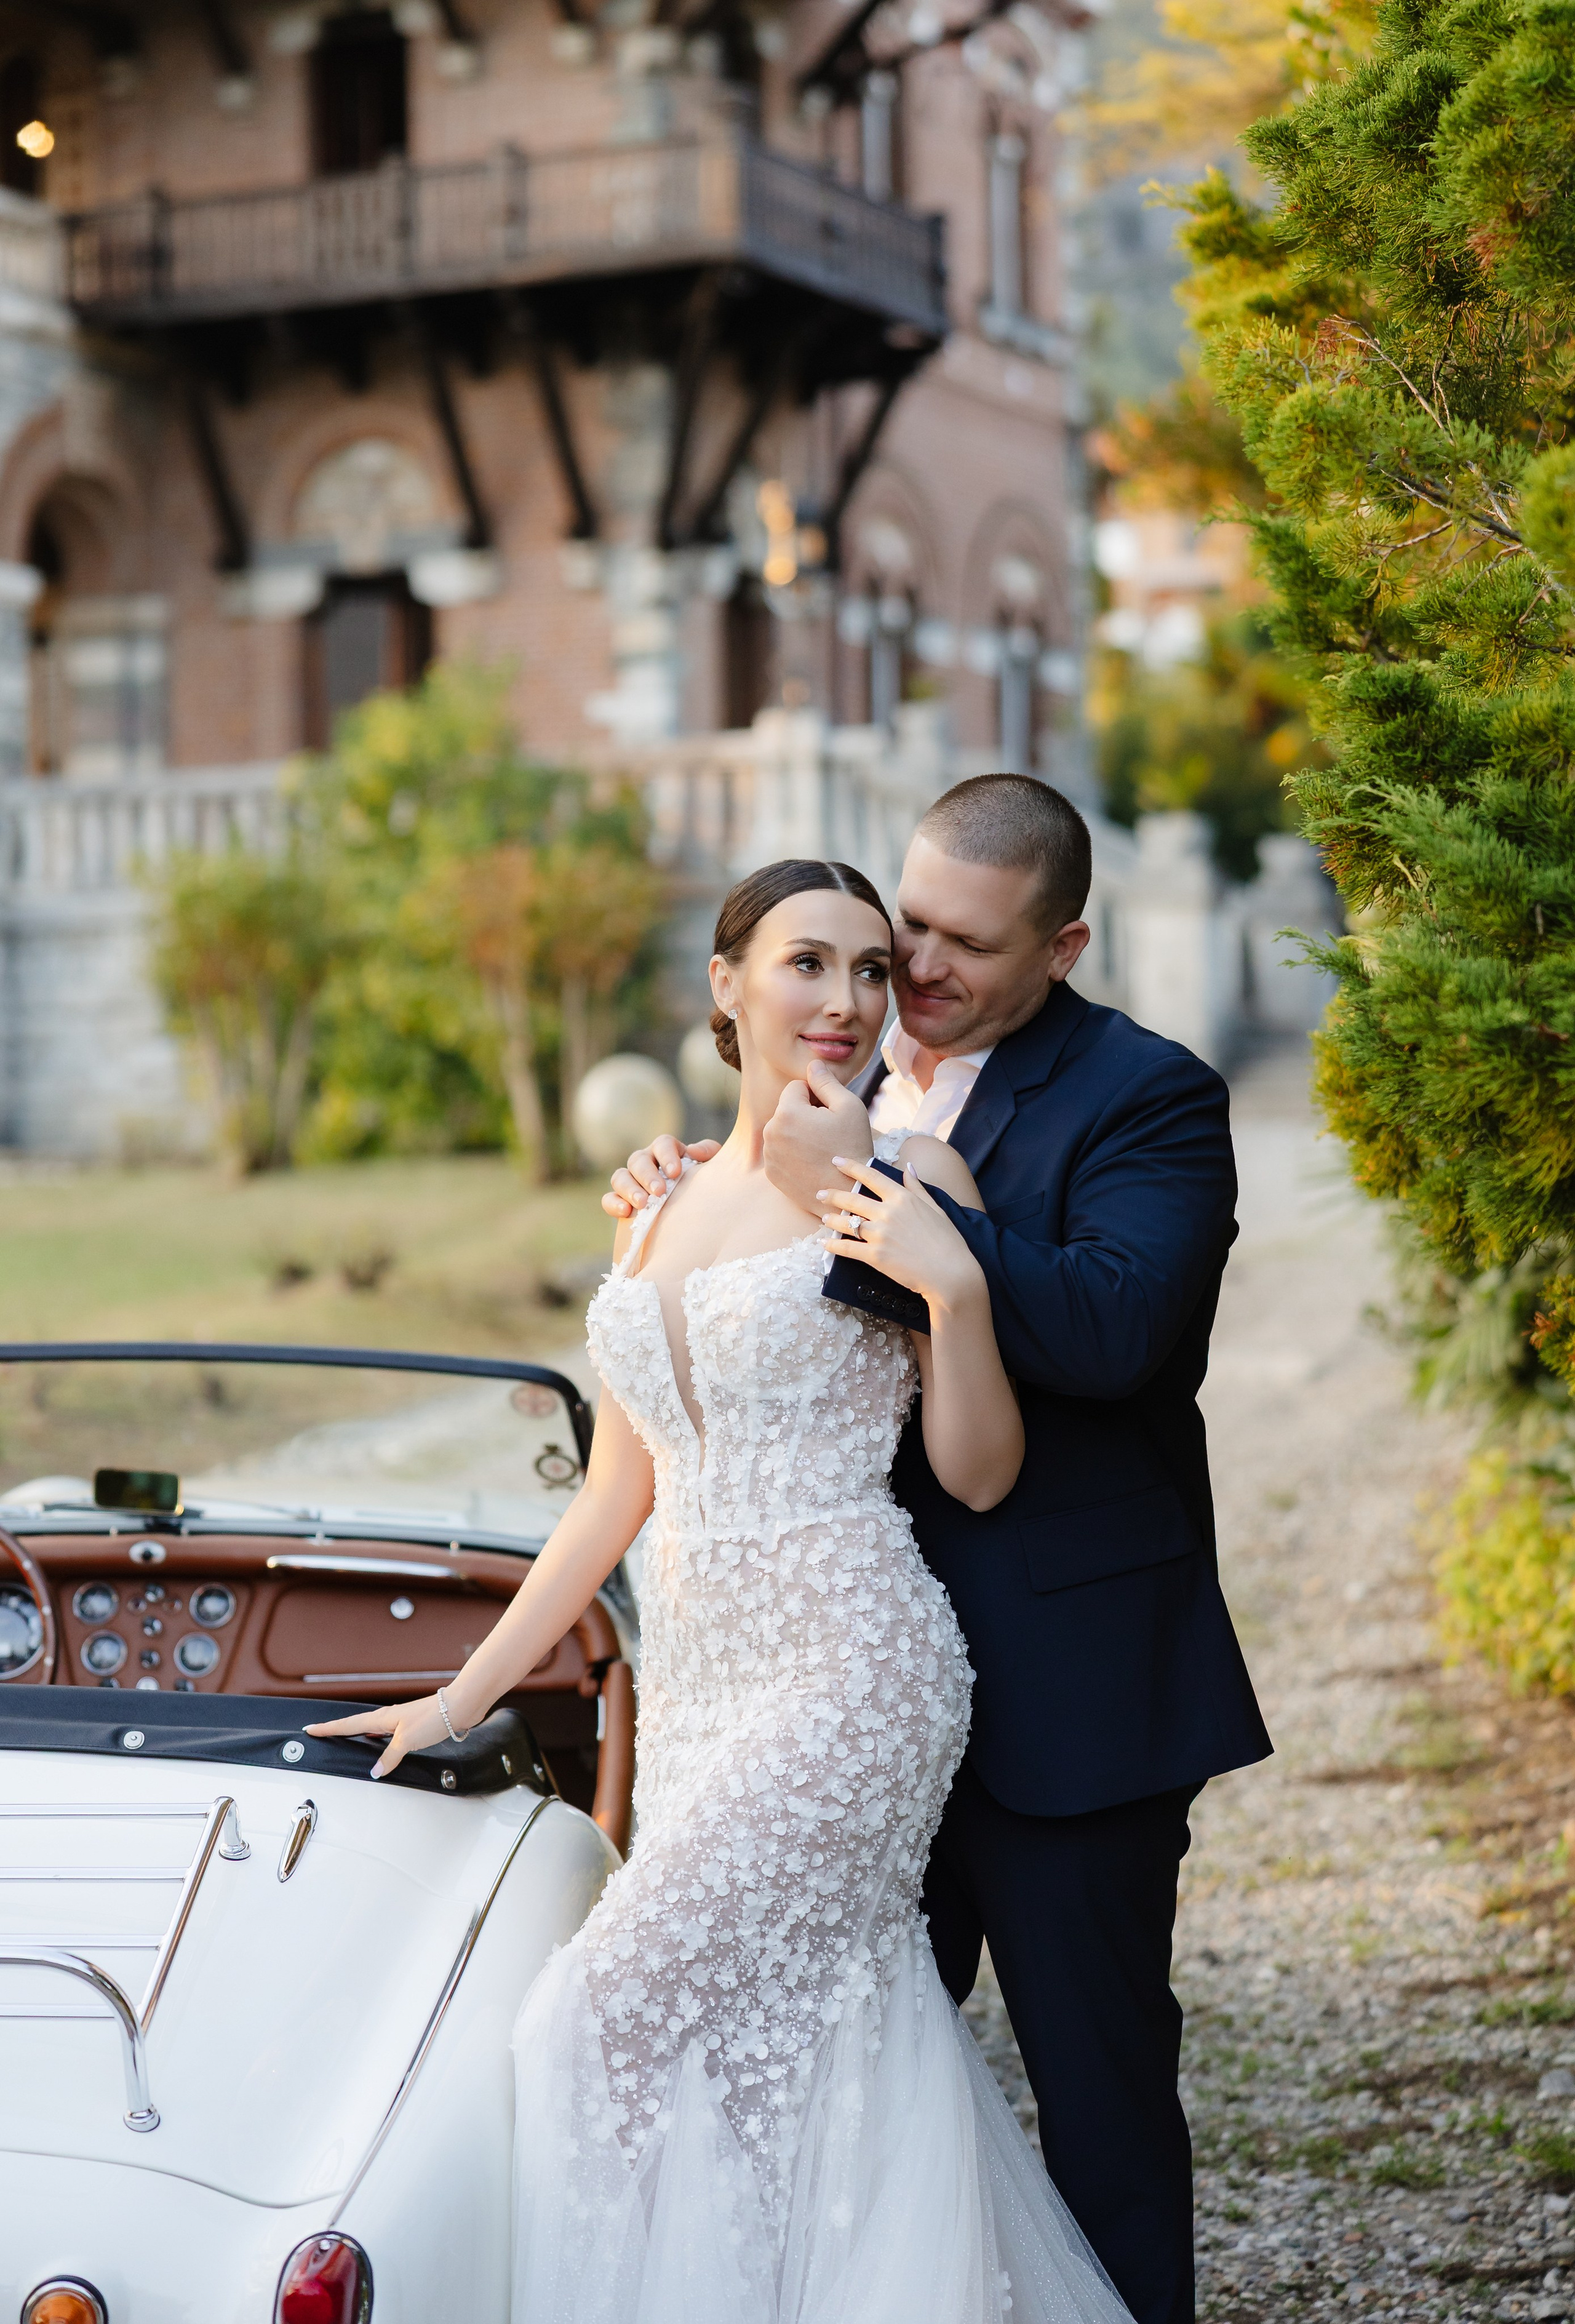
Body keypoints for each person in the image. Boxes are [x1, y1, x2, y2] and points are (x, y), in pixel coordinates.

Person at [309, 855, 1133, 2324]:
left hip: (847, 1667)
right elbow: (616, 1494)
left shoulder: (906, 1175)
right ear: (726, 984)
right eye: (808, 962)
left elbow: (981, 1469)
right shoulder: (660, 1199)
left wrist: (948, 1284)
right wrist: (464, 1684)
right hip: (696, 1691)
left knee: (592, 2012)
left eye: (871, 971)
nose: (844, 998)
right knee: (783, 2046)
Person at [605, 776, 1274, 2324]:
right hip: (832, 1704)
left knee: (1094, 2104)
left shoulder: (1149, 1094)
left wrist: (919, 1223)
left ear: (1064, 944)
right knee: (833, 2085)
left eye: (965, 943)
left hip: (1065, 1700)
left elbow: (1112, 1329)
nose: (914, 968)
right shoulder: (838, 1064)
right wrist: (688, 1183)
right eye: (905, 922)